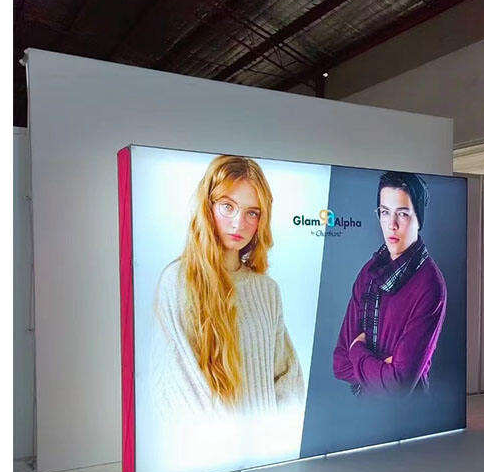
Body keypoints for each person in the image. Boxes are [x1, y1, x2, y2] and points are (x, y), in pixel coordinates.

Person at [150, 155, 305, 424]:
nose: (238, 223)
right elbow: (175, 385)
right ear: (207, 206)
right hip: (208, 444)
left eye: (252, 212)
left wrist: (275, 433)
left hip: (267, 444)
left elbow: (287, 376)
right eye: (227, 206)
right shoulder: (177, 281)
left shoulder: (267, 290)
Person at [333, 171, 447, 396]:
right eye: (385, 212)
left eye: (402, 214)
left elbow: (399, 384)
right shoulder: (370, 272)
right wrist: (382, 368)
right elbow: (340, 364)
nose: (391, 225)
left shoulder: (430, 284)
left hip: (409, 411)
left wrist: (357, 349)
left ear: (419, 219)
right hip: (363, 407)